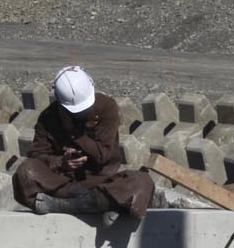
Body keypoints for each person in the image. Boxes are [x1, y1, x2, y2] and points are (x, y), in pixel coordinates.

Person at [12, 65, 154, 226]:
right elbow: (36, 156)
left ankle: (64, 206)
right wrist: (61, 163)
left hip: (102, 183)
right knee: (25, 173)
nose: (81, 114)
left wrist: (74, 132)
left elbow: (103, 155)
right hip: (63, 184)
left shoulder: (106, 107)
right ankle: (107, 204)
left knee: (142, 181)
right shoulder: (48, 117)